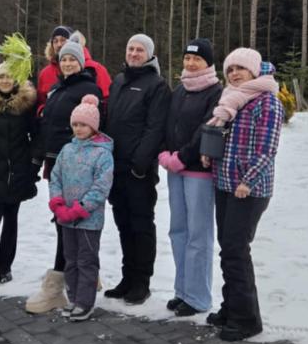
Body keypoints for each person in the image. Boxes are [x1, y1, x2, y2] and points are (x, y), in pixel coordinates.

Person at [201, 48, 284, 342]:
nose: (235, 73)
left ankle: (247, 320)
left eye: (240, 68)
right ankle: (231, 308)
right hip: (225, 184)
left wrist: (248, 180)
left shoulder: (267, 102)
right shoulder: (231, 99)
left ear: (254, 71)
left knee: (236, 250)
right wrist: (209, 154)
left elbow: (267, 149)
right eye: (230, 69)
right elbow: (226, 139)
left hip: (249, 189)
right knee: (228, 249)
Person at [25, 40, 104, 314]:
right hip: (55, 162)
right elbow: (46, 126)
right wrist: (36, 158)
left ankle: (58, 283)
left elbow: (92, 128)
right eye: (64, 59)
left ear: (81, 62)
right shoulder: (58, 89)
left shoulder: (88, 89)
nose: (68, 63)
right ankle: (82, 274)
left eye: (73, 59)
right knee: (62, 220)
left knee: (69, 223)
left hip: (76, 165)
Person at [103, 33, 170, 305]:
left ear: (149, 54)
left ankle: (141, 282)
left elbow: (155, 128)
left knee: (141, 225)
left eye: (139, 50)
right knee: (123, 224)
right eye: (131, 48)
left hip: (138, 171)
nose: (133, 53)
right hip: (115, 167)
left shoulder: (157, 85)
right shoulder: (119, 80)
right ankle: (127, 277)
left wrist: (140, 165)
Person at [158, 38, 223, 317]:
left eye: (197, 59)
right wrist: (164, 152)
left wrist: (182, 156)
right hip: (175, 169)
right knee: (178, 231)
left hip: (198, 171)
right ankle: (182, 290)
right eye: (187, 58)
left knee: (198, 234)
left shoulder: (215, 91)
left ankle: (198, 297)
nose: (191, 63)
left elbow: (207, 127)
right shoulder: (180, 89)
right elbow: (167, 123)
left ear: (208, 62)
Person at [48, 94, 114, 322]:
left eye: (83, 125)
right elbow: (55, 177)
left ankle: (85, 302)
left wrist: (82, 208)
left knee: (86, 260)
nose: (78, 129)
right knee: (71, 259)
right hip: (65, 217)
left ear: (93, 126)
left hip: (88, 220)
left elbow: (101, 186)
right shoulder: (67, 150)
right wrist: (57, 203)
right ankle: (73, 297)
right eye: (75, 124)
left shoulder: (102, 154)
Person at [0, 67, 40, 286]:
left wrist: (32, 164)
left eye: (9, 77)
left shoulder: (25, 105)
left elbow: (36, 135)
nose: (5, 81)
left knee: (11, 223)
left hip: (17, 172)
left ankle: (5, 266)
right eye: (1, 77)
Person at [36, 26, 111, 111]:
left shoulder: (95, 68)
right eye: (55, 41)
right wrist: (42, 111)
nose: (59, 44)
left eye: (63, 40)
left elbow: (107, 101)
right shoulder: (45, 73)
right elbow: (40, 102)